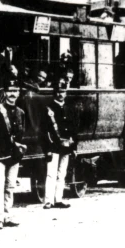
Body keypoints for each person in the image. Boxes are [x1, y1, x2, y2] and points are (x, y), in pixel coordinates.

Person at [0, 78, 25, 230]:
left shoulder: (21, 113)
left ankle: (7, 216)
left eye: (15, 91)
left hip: (14, 156)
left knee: (10, 187)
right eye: (10, 91)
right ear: (5, 93)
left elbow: (21, 135)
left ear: (19, 93)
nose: (12, 94)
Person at [42, 78, 75, 209]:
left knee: (62, 174)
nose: (61, 94)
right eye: (59, 92)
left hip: (66, 146)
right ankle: (48, 201)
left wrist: (73, 146)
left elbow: (73, 129)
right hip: (53, 146)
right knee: (51, 174)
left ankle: (58, 199)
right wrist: (47, 148)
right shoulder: (49, 108)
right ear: (55, 93)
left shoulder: (68, 108)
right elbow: (44, 131)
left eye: (63, 91)